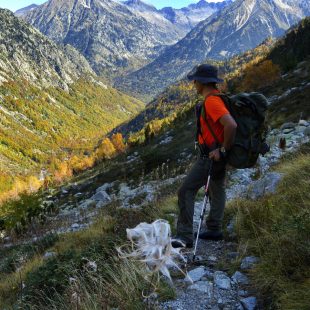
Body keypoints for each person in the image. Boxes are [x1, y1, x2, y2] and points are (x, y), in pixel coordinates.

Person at [172, 64, 237, 248]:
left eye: (195, 80)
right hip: (218, 155)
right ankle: (214, 229)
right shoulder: (217, 98)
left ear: (201, 82)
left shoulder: (211, 102)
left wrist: (222, 150)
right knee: (217, 189)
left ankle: (184, 236)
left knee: (186, 190)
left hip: (211, 155)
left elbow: (231, 125)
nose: (193, 83)